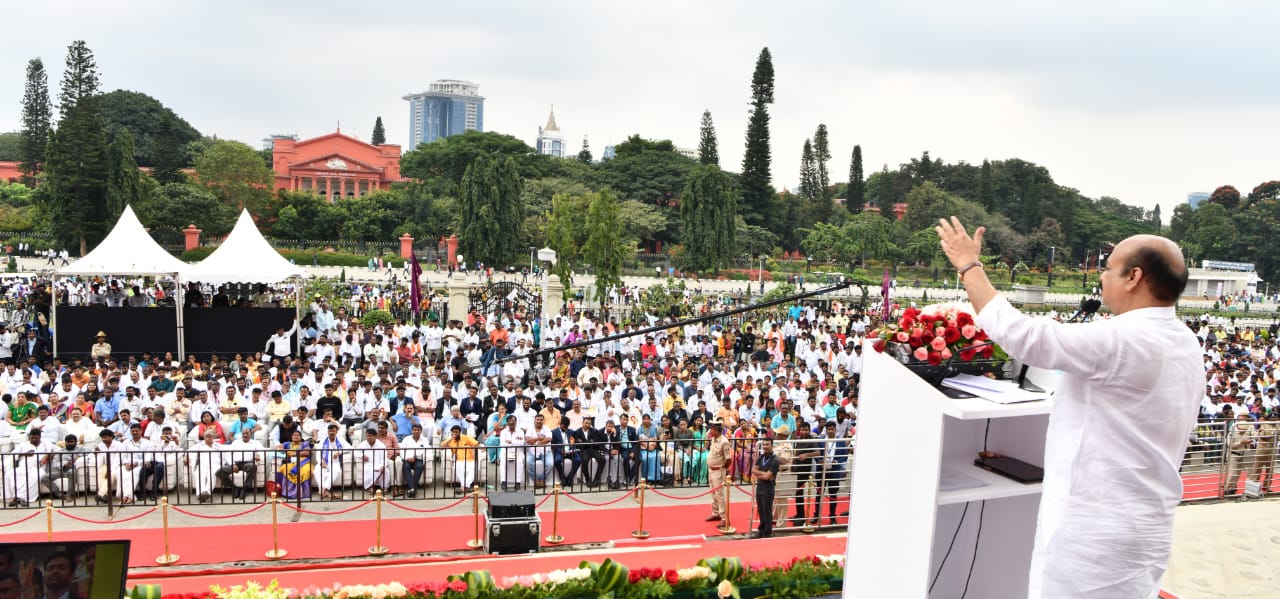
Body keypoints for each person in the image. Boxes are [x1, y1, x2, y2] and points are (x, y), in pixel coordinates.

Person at [936, 216, 1204, 597]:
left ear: (1134, 277)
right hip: (1146, 523)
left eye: (1109, 269)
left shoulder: (1123, 338)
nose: (1102, 278)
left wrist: (969, 266)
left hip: (1095, 533)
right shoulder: (1185, 342)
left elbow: (1022, 336)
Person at [705, 419, 733, 522]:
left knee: (720, 494)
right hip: (711, 470)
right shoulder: (713, 439)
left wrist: (724, 470)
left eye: (712, 430)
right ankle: (715, 513)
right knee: (713, 493)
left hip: (718, 470)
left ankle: (724, 518)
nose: (710, 432)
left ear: (717, 430)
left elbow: (728, 459)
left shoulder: (724, 442)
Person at [750, 438, 779, 539]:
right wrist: (763, 474)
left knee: (767, 510)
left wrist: (761, 475)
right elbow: (753, 470)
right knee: (761, 510)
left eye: (767, 444)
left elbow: (768, 476)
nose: (765, 446)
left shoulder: (775, 460)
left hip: (768, 488)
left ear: (772, 446)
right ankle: (761, 530)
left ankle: (767, 532)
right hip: (760, 486)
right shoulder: (761, 456)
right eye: (764, 444)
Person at [275, 429, 313, 500]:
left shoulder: (304, 444)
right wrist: (283, 451)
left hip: (304, 462)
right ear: (291, 436)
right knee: (284, 468)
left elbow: (307, 452)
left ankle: (301, 493)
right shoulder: (288, 444)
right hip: (291, 463)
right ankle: (286, 492)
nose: (296, 436)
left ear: (301, 437)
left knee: (304, 472)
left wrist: (294, 453)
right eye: (294, 435)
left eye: (298, 435)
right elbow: (277, 447)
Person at [316, 423, 347, 500]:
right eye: (330, 431)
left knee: (337, 471)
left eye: (333, 431)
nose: (331, 432)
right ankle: (323, 490)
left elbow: (350, 448)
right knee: (317, 470)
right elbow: (318, 452)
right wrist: (320, 462)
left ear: (336, 432)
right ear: (327, 432)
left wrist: (339, 452)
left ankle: (324, 489)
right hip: (324, 461)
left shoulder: (340, 440)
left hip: (334, 462)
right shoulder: (323, 441)